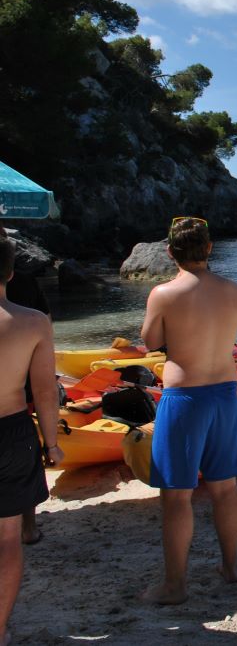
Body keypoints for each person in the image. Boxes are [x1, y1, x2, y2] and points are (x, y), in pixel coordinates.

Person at [138, 217, 237, 605]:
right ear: (209, 249)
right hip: (225, 397)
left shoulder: (163, 294)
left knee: (177, 496)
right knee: (225, 488)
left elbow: (150, 342)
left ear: (169, 253)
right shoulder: (233, 291)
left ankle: (175, 585)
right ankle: (231, 568)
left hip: (184, 401)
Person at [0, 231, 62, 645]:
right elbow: (43, 392)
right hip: (11, 431)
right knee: (7, 537)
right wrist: (53, 444)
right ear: (9, 271)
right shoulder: (33, 323)